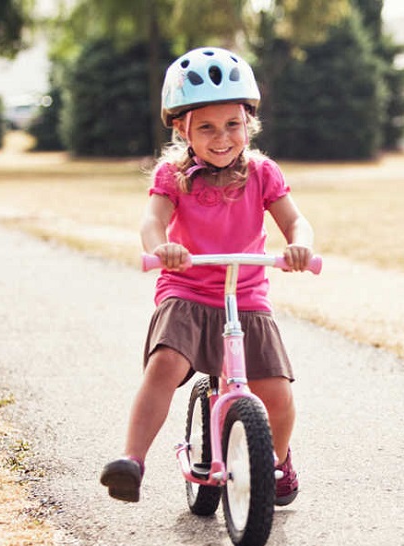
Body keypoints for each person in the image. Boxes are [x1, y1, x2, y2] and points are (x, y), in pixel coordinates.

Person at [99, 47, 313, 505]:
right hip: (187, 288)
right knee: (165, 365)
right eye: (207, 128)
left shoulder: (261, 172)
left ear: (248, 122)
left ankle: (273, 460)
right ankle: (131, 462)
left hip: (245, 292)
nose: (222, 138)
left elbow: (296, 222)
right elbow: (151, 222)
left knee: (275, 390)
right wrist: (162, 248)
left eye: (232, 125)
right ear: (183, 129)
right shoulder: (172, 175)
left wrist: (300, 245)